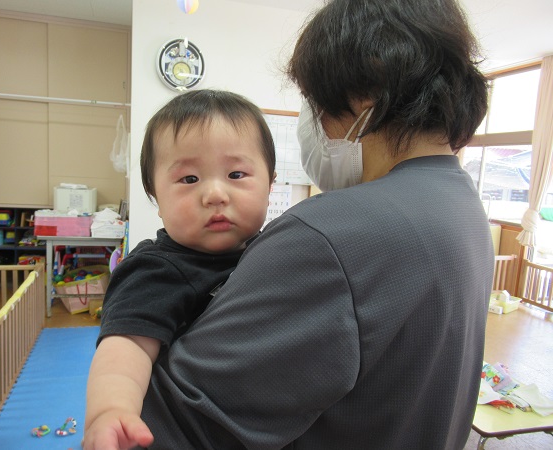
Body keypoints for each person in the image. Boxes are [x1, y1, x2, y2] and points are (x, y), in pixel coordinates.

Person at [110, 0, 495, 447]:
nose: (215, 195)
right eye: (189, 179)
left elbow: (175, 429)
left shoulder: (331, 236)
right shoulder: (463, 205)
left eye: (313, 102)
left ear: (364, 95)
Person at [82, 89, 276, 450]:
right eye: (189, 179)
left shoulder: (276, 249)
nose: (215, 194)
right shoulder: (157, 270)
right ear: (156, 198)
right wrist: (110, 410)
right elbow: (127, 347)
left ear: (270, 185)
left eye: (236, 174)